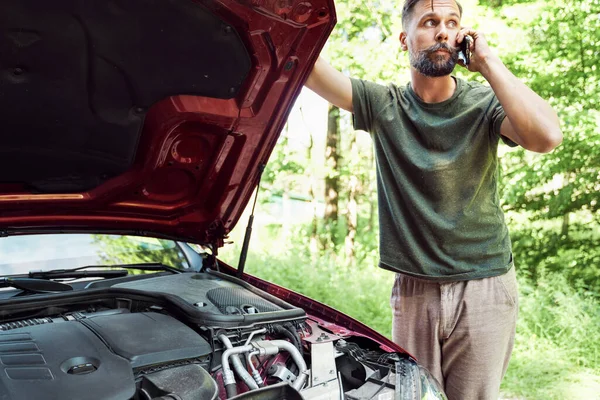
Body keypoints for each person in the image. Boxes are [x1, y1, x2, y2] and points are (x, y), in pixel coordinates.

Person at [304, 0, 562, 399]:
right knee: (411, 396)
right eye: (429, 22)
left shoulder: (484, 103)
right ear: (403, 40)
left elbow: (547, 137)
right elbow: (307, 67)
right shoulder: (382, 104)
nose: (442, 31)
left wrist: (489, 63)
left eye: (452, 22)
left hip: (484, 284)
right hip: (414, 289)